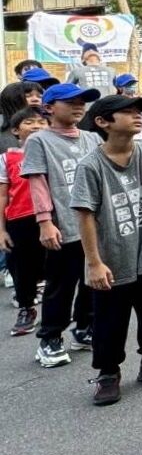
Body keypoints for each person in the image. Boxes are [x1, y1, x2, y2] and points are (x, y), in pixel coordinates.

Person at [72, 93, 142, 405]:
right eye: (127, 111)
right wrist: (93, 262)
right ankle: (108, 373)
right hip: (111, 260)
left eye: (139, 111)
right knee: (109, 320)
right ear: (103, 122)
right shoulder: (90, 166)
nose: (137, 116)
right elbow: (85, 215)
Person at [24, 83, 104, 366]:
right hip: (64, 225)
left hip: (94, 224)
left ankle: (84, 328)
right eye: (70, 101)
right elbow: (38, 181)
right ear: (48, 108)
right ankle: (50, 338)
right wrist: (45, 221)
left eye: (82, 101)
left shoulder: (92, 139)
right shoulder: (39, 140)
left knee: (91, 281)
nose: (78, 105)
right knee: (61, 284)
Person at [1, 107, 49, 337]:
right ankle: (26, 309)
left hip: (51, 219)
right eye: (30, 122)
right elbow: (2, 196)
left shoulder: (53, 153)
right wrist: (1, 230)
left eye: (42, 121)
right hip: (20, 220)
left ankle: (53, 314)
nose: (37, 126)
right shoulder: (7, 158)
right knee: (22, 269)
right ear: (15, 130)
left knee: (53, 268)